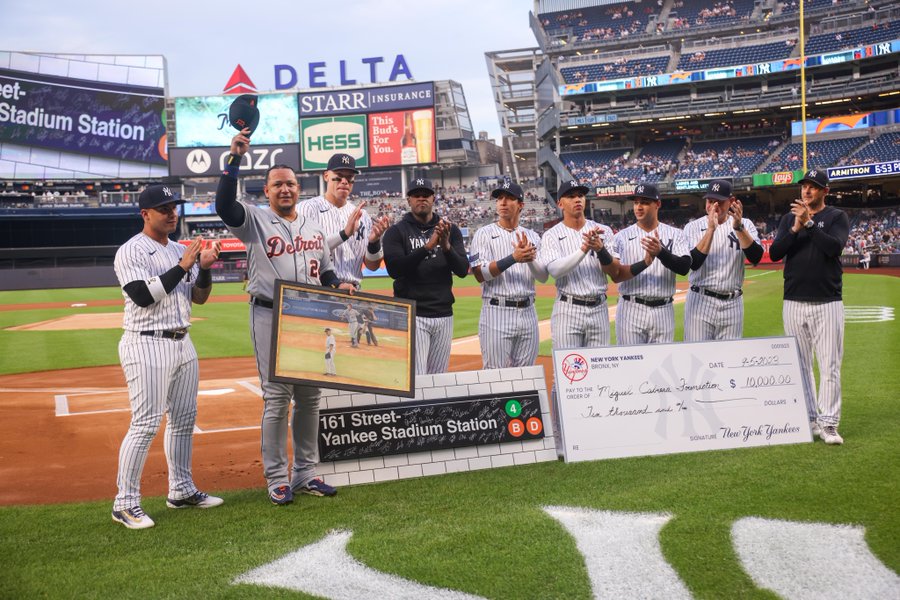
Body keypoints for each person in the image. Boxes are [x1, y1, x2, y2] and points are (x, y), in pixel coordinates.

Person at [216, 129, 354, 505]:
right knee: (277, 398)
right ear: (267, 191)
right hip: (269, 314)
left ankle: (305, 473)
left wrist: (336, 284)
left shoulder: (312, 226)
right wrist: (234, 160)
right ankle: (277, 477)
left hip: (308, 316)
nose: (285, 190)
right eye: (277, 185)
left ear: (299, 188)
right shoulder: (254, 221)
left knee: (309, 397)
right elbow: (225, 206)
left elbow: (324, 270)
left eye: (290, 184)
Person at [111, 184, 223, 529]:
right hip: (146, 342)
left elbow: (199, 298)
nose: (172, 213)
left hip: (182, 342)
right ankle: (125, 503)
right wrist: (182, 264)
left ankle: (182, 490)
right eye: (164, 208)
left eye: (174, 206)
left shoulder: (179, 248)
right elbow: (143, 296)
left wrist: (202, 267)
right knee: (145, 424)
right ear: (145, 214)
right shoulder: (130, 251)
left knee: (184, 420)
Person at [769, 169, 849, 445]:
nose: (807, 191)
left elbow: (834, 248)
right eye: (804, 186)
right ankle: (810, 418)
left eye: (813, 186)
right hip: (793, 300)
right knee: (800, 366)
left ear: (825, 190)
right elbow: (775, 253)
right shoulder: (789, 219)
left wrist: (811, 224)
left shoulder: (837, 217)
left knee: (829, 365)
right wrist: (795, 227)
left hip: (827, 301)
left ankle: (829, 423)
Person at [382, 177, 469, 374]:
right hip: (413, 313)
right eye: (416, 195)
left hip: (443, 313)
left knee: (438, 377)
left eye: (426, 195)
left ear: (433, 198)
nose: (421, 199)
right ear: (409, 200)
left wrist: (446, 247)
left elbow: (463, 270)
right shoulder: (396, 232)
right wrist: (427, 247)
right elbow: (394, 270)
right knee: (417, 377)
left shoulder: (449, 230)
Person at [470, 180, 548, 368]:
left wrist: (530, 260)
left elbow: (543, 277)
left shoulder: (533, 236)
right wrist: (513, 258)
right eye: (499, 198)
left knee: (525, 375)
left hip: (528, 311)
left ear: (520, 205)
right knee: (495, 376)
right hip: (497, 310)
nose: (503, 202)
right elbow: (480, 274)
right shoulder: (483, 234)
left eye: (509, 198)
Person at [538, 180, 620, 351]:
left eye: (580, 196)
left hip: (599, 308)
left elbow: (615, 272)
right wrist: (583, 249)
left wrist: (600, 250)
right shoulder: (551, 235)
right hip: (568, 309)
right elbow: (554, 271)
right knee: (567, 371)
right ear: (560, 204)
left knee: (599, 368)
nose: (577, 200)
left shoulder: (603, 231)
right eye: (571, 196)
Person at [683, 179, 764, 341]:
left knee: (730, 360)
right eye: (710, 201)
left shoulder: (745, 224)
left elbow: (755, 258)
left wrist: (738, 227)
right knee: (697, 358)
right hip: (700, 301)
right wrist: (711, 230)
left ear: (731, 202)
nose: (713, 206)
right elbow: (695, 263)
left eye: (718, 202)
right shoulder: (692, 227)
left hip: (732, 303)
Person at [611, 183, 691, 345]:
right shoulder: (621, 237)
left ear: (658, 204)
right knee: (631, 364)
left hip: (663, 310)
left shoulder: (676, 234)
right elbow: (616, 275)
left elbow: (684, 267)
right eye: (636, 202)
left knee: (660, 367)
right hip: (630, 309)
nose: (639, 207)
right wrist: (646, 262)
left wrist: (661, 253)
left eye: (645, 202)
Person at [297, 153, 391, 290]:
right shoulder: (307, 209)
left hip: (353, 291)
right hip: (319, 291)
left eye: (349, 177)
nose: (344, 181)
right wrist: (344, 234)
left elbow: (372, 266)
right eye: (339, 175)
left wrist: (374, 242)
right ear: (326, 176)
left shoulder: (363, 216)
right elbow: (304, 253)